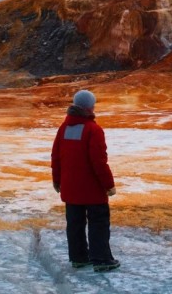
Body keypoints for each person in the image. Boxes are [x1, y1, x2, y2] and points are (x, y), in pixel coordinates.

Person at [51, 89, 120, 272]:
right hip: (92, 190)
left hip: (71, 188)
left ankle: (79, 258)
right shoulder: (93, 129)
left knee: (75, 224)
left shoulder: (64, 128)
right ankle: (102, 259)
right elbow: (98, 161)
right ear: (90, 107)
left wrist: (57, 180)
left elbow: (56, 156)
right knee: (98, 223)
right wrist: (109, 185)